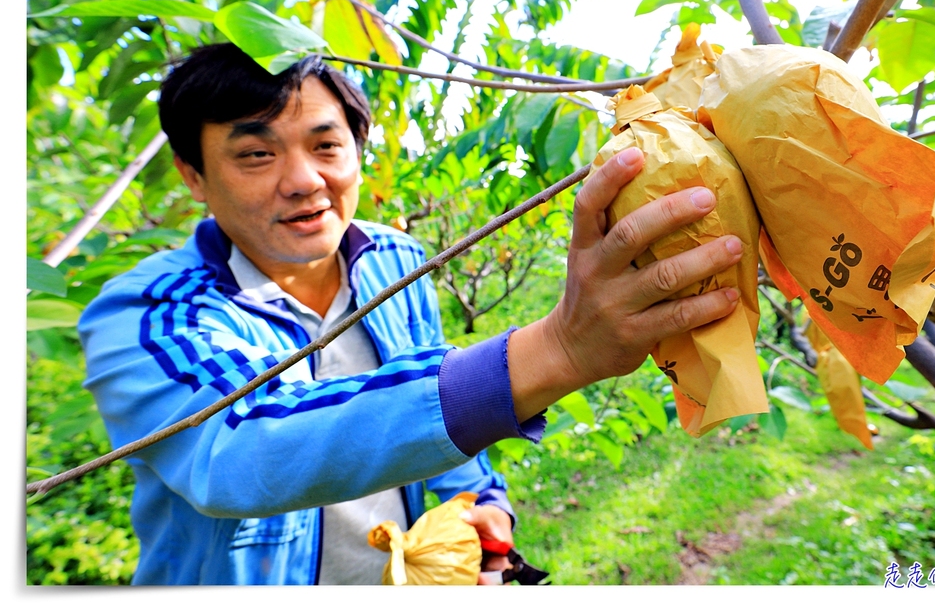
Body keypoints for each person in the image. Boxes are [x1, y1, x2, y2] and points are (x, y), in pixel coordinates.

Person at [79, 44, 744, 584]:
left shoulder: (393, 260)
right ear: (193, 175)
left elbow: (423, 384)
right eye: (256, 154)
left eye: (326, 146)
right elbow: (244, 448)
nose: (305, 179)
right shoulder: (146, 315)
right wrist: (557, 352)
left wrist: (482, 506)